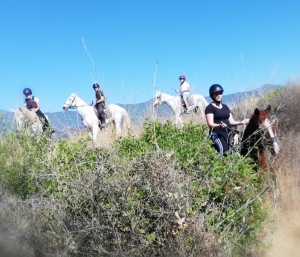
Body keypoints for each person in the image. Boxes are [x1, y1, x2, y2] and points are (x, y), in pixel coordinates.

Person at [205, 84, 249, 156]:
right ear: (212, 95)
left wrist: (241, 122)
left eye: (220, 93)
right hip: (217, 133)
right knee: (224, 151)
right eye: (216, 94)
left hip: (228, 131)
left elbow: (231, 121)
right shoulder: (209, 108)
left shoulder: (225, 107)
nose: (219, 95)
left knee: (238, 148)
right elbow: (210, 124)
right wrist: (219, 125)